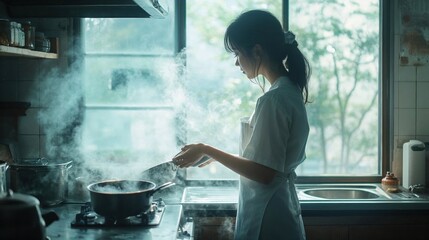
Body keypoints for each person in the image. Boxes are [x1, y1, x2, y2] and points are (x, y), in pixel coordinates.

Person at [172, 9, 311, 240]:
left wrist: (207, 149)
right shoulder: (286, 91)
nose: (236, 62)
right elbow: (265, 162)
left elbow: (264, 172)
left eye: (237, 53)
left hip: (269, 217)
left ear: (257, 51)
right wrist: (214, 156)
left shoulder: (274, 100)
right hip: (274, 208)